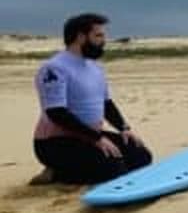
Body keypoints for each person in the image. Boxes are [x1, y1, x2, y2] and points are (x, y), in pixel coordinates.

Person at [29, 13, 152, 185]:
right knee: (115, 169)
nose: (103, 41)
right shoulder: (54, 69)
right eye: (98, 35)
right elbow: (56, 113)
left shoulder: (95, 67)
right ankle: (56, 174)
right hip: (55, 143)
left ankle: (74, 168)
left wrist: (124, 128)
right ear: (81, 37)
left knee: (141, 156)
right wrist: (96, 139)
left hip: (90, 136)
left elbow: (106, 103)